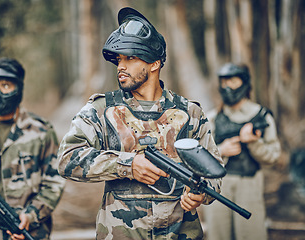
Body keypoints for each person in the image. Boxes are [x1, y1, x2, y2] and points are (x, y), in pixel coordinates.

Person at [57, 7, 222, 240]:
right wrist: (129, 164)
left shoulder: (190, 113)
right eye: (119, 59)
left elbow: (213, 172)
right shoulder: (101, 110)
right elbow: (67, 159)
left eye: (130, 58)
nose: (120, 66)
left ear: (154, 63)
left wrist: (200, 194)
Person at [0, 57, 66, 240]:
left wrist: (31, 216)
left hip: (27, 232)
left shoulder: (41, 132)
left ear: (18, 90)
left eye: (6, 85)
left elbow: (54, 182)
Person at [203, 63, 281, 240]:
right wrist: (221, 150)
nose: (228, 87)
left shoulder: (261, 115)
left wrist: (253, 143)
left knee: (251, 234)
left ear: (244, 83)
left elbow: (274, 156)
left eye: (233, 81)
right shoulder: (213, 117)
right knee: (218, 234)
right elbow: (199, 156)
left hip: (249, 185)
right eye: (224, 82)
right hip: (218, 187)